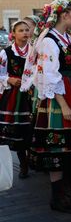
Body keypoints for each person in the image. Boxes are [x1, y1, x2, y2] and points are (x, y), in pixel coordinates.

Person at [28, 0, 71, 213]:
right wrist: (63, 104)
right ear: (64, 15)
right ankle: (58, 197)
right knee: (58, 145)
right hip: (59, 96)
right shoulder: (49, 41)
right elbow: (49, 75)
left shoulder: (65, 39)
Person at [0, 20, 33, 178]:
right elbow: (0, 73)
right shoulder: (6, 53)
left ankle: (32, 159)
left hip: (33, 94)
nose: (25, 33)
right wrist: (9, 80)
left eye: (27, 30)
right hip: (15, 96)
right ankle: (23, 162)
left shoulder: (34, 51)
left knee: (32, 127)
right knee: (18, 129)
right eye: (21, 30)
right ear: (13, 33)